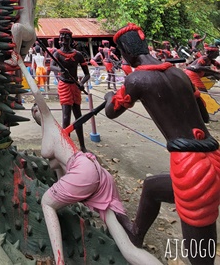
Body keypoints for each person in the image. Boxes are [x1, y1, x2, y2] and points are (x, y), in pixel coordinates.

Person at [15, 52, 161, 265]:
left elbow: (37, 94)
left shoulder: (52, 124)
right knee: (127, 248)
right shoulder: (50, 137)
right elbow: (60, 174)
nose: (36, 110)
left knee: (47, 202)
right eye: (34, 111)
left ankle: (59, 261)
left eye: (38, 108)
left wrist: (19, 61)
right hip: (91, 175)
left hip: (83, 168)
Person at [105, 23, 220, 265]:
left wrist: (109, 96)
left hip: (191, 164)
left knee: (199, 243)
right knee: (152, 188)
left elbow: (111, 111)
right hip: (214, 152)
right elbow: (205, 115)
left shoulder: (137, 79)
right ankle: (136, 233)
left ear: (125, 52)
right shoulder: (181, 74)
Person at [50, 28, 90, 152]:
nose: (63, 40)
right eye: (61, 38)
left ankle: (82, 146)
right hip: (64, 85)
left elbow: (87, 74)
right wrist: (60, 70)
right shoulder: (57, 53)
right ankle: (66, 145)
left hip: (75, 86)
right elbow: (51, 66)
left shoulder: (77, 55)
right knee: (66, 116)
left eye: (66, 37)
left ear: (70, 39)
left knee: (78, 116)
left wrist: (82, 83)